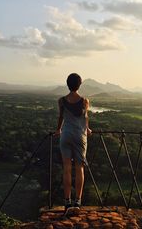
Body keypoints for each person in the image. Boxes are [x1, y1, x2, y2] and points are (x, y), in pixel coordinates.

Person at [54, 73, 92, 215]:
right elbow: (85, 117)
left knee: (67, 169)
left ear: (67, 84)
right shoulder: (84, 101)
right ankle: (78, 201)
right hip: (79, 136)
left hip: (66, 135)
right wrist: (87, 129)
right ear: (79, 84)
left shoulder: (62, 100)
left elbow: (61, 117)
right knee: (79, 168)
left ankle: (67, 201)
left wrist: (58, 130)